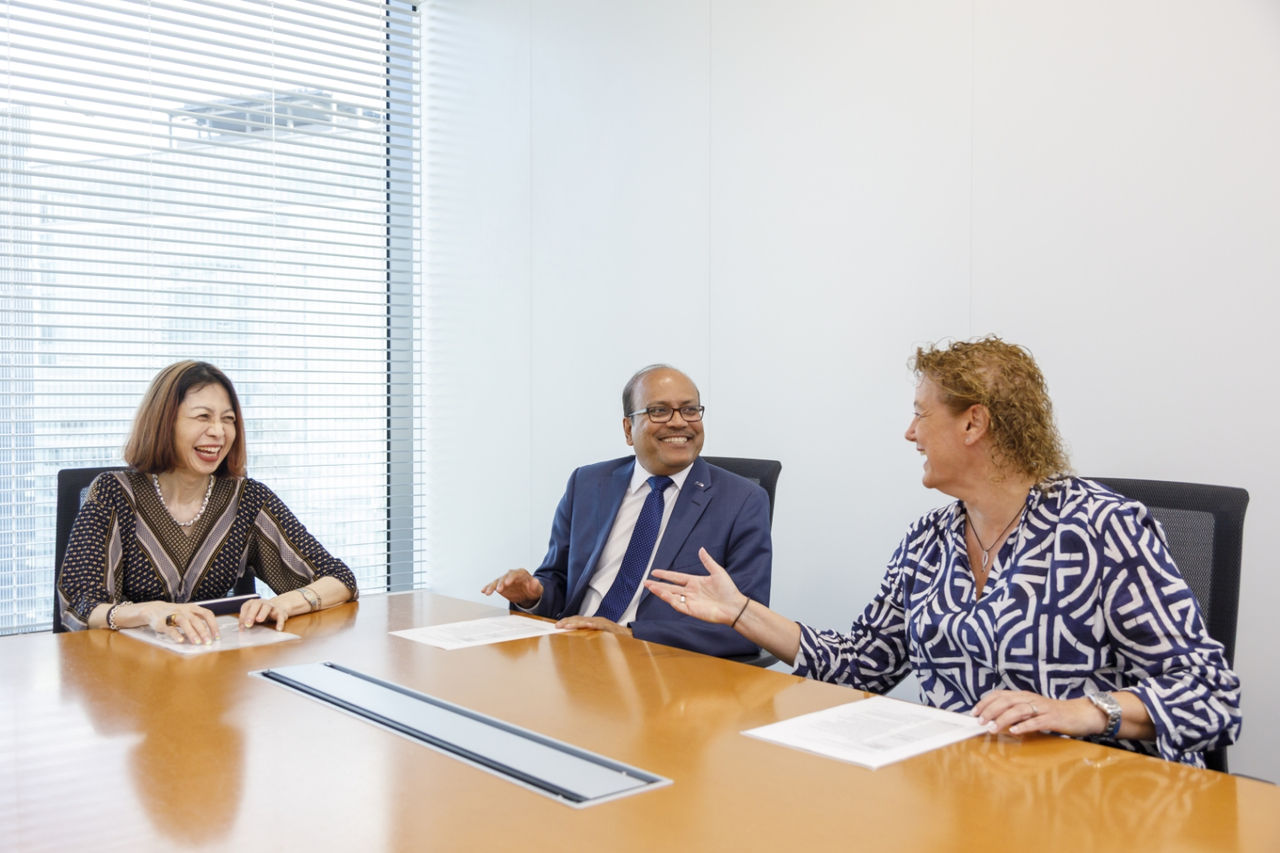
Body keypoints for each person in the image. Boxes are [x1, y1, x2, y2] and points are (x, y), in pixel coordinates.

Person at [644, 337, 1241, 766]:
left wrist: (1085, 711)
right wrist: (741, 611)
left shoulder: (1104, 527)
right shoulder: (928, 540)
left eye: (920, 415)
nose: (910, 433)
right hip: (964, 790)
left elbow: (1211, 693)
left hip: (1093, 796)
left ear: (973, 424)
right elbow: (863, 665)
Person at [482, 364, 771, 657]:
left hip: (661, 667)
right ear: (628, 429)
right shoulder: (587, 484)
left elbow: (748, 626)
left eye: (689, 410)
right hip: (573, 654)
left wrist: (629, 635)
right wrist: (533, 595)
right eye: (659, 411)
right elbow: (557, 581)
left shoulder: (743, 501)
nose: (679, 422)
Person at [58, 361, 358, 642]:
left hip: (211, 665)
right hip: (126, 672)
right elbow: (81, 604)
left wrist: (284, 603)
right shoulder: (114, 492)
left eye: (228, 420)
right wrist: (150, 611)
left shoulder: (247, 499)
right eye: (203, 416)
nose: (218, 431)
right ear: (164, 422)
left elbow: (340, 579)